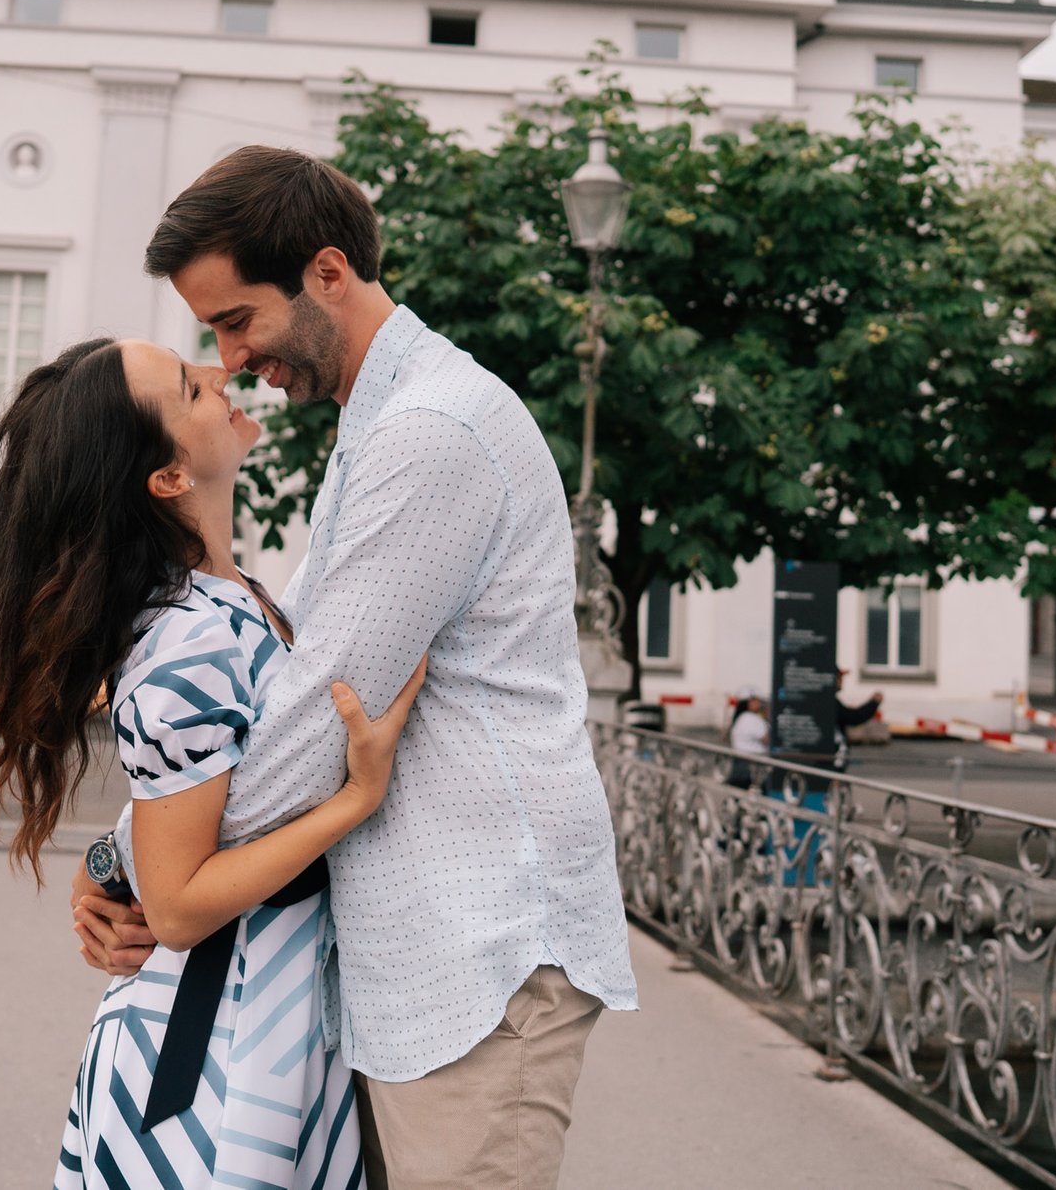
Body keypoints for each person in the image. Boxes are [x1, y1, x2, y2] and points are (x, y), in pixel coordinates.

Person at [71, 146, 638, 1190]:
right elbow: (302, 696)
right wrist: (139, 845)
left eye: (238, 321)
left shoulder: (427, 432)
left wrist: (137, 864)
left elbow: (313, 724)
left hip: (477, 949)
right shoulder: (385, 419)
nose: (233, 360)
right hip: (432, 950)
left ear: (325, 271)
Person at [0, 335, 428, 1190]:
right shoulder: (191, 636)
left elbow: (216, 809)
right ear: (167, 477)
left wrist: (105, 861)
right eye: (190, 388)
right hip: (224, 1057)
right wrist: (355, 799)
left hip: (257, 1023)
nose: (221, 375)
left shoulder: (229, 602)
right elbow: (177, 906)